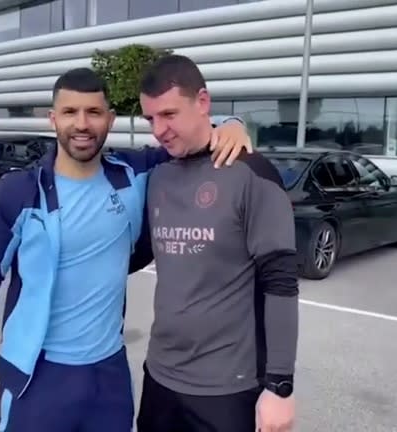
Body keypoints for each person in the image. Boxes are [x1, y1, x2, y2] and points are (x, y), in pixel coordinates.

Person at [0, 67, 253, 432]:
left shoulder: (132, 173)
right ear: (53, 119)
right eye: (70, 112)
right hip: (36, 378)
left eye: (93, 112)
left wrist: (232, 123)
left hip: (108, 377)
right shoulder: (19, 192)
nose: (82, 124)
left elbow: (189, 131)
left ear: (110, 120)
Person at [134, 54, 299, 432]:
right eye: (150, 119)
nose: (159, 130)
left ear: (203, 102)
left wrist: (280, 386)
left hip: (227, 389)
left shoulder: (252, 174)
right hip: (160, 377)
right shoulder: (157, 174)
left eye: (169, 115)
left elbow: (281, 283)